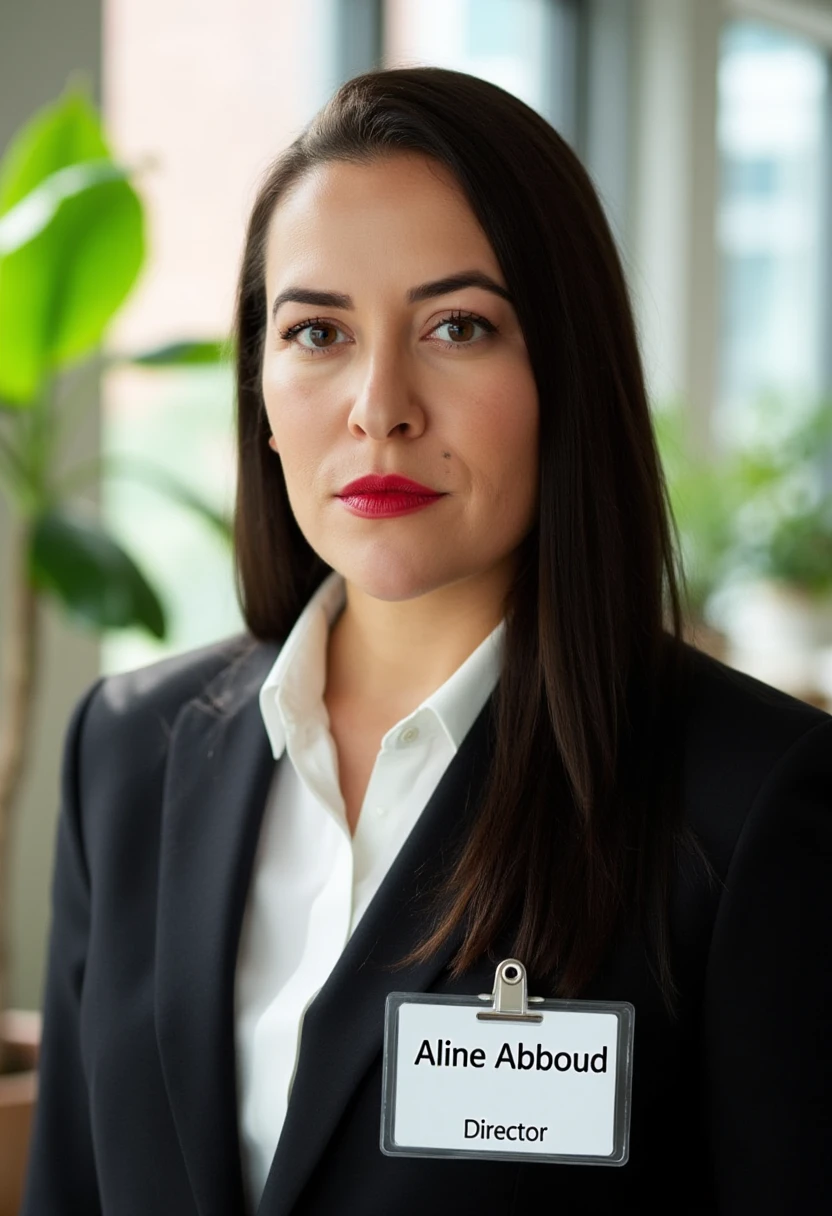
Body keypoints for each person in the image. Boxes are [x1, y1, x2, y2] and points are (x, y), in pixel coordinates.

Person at [21, 66, 832, 1216]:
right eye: (316, 331)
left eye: (458, 326)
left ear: (566, 370)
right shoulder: (127, 750)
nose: (379, 405)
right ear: (259, 386)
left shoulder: (746, 805)